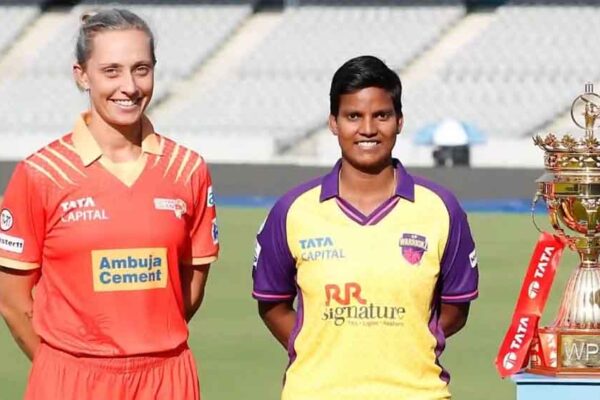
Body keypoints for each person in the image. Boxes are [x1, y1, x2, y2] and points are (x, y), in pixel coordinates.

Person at [0, 9, 218, 400]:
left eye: (141, 69)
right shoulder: (41, 173)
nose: (129, 87)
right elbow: (13, 302)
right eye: (111, 71)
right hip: (70, 378)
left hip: (166, 378)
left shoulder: (189, 170)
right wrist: (69, 366)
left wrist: (143, 348)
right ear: (82, 75)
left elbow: (191, 287)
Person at [252, 55, 479, 399]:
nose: (368, 129)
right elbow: (272, 303)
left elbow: (456, 310)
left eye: (382, 115)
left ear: (399, 121)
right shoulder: (292, 210)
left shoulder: (441, 209)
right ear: (333, 122)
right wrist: (318, 350)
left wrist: (403, 346)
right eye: (353, 116)